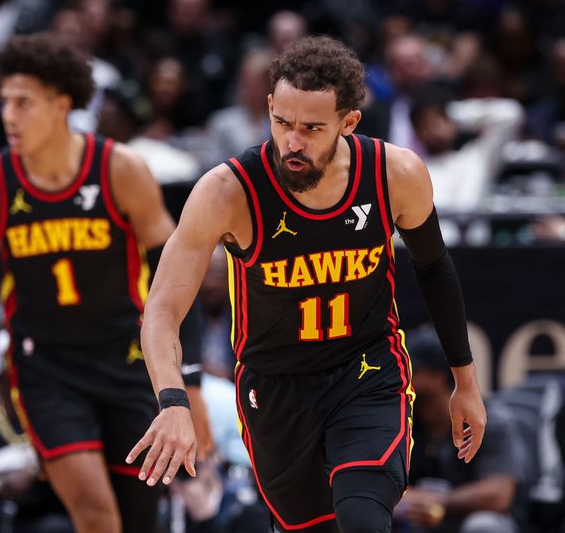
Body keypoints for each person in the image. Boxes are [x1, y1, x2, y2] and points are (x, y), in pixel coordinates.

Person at [128, 36, 487, 533]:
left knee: (362, 519)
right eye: (283, 123)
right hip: (275, 391)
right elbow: (162, 309)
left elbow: (435, 270)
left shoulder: (394, 173)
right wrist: (173, 402)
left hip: (365, 371)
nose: (293, 142)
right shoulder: (227, 191)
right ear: (269, 106)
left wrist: (465, 381)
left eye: (312, 128)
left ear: (349, 122)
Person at [0, 33, 210, 533]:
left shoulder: (119, 169)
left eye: (23, 103)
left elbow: (175, 274)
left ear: (61, 105)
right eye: (4, 101)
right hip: (45, 368)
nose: (8, 115)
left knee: (139, 517)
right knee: (94, 512)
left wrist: (190, 382)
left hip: (128, 361)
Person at [396, 327, 527, 533]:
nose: (400, 377)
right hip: (416, 521)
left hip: (468, 521)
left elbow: (498, 495)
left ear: (437, 378)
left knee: (484, 525)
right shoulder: (402, 420)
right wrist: (409, 499)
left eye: (411, 370)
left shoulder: (489, 420)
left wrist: (437, 501)